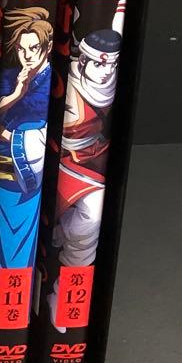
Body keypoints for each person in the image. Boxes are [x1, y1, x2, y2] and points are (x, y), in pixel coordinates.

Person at [0, 7, 53, 350]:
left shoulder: (50, 80)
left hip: (29, 181)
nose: (27, 55)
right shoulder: (12, 76)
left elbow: (36, 129)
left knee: (21, 250)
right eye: (22, 49)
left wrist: (12, 135)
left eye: (34, 49)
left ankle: (12, 333)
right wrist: (15, 94)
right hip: (0, 180)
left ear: (47, 47)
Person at [47, 25, 122, 331]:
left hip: (95, 158)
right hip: (60, 159)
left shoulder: (109, 83)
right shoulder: (70, 82)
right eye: (100, 65)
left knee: (92, 217)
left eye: (111, 65)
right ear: (85, 60)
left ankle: (64, 293)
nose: (106, 73)